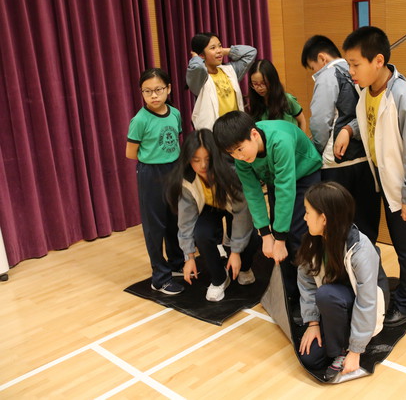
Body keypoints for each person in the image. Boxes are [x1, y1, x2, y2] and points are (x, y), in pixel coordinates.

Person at [342, 26, 406, 327]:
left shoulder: (405, 98)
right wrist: (348, 129)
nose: (351, 71)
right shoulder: (368, 93)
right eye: (349, 64)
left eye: (355, 64)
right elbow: (372, 123)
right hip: (387, 182)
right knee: (405, 245)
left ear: (378, 61)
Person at [212, 111, 322, 301]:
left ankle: (310, 294)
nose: (238, 156)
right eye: (231, 153)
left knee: (297, 235)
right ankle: (289, 292)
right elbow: (253, 193)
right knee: (279, 236)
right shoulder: (242, 158)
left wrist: (279, 239)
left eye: (240, 149)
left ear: (254, 134)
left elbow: (286, 190)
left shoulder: (280, 141)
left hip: (304, 175)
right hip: (275, 178)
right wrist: (265, 234)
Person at [296, 182, 389, 381]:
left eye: (308, 212)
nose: (304, 218)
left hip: (362, 305)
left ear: (324, 218)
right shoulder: (313, 241)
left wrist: (355, 350)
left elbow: (367, 301)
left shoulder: (361, 249)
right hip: (336, 306)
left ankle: (342, 350)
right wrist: (312, 323)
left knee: (327, 294)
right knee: (310, 359)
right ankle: (339, 340)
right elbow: (306, 282)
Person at [301, 35, 379, 243]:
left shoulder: (328, 75)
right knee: (366, 225)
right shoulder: (363, 73)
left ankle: (343, 263)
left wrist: (316, 151)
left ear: (322, 58)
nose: (314, 73)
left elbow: (320, 121)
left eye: (312, 67)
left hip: (336, 162)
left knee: (338, 226)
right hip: (366, 160)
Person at [166, 129, 261, 302]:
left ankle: (245, 267)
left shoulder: (233, 172)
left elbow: (242, 213)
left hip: (234, 207)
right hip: (208, 207)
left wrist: (235, 251)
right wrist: (189, 256)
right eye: (196, 160)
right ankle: (219, 278)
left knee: (252, 236)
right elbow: (186, 220)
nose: (202, 165)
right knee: (201, 234)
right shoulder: (186, 180)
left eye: (208, 159)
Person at [126, 68, 184, 295]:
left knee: (174, 220)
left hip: (174, 169)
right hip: (151, 173)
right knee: (155, 226)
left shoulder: (175, 113)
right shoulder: (140, 120)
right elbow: (131, 152)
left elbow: (176, 141)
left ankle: (177, 263)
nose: (154, 95)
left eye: (158, 89)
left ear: (168, 89)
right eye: (147, 91)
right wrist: (153, 159)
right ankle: (160, 278)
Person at [186, 32, 257, 130]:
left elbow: (251, 52)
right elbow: (197, 67)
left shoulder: (230, 70)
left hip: (236, 127)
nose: (219, 50)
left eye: (220, 46)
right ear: (201, 55)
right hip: (214, 131)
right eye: (213, 48)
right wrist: (196, 57)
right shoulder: (199, 78)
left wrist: (223, 51)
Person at [247, 59, 307, 133]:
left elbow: (302, 121)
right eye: (255, 84)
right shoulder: (255, 102)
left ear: (272, 81)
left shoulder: (287, 99)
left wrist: (302, 139)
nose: (259, 88)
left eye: (264, 83)